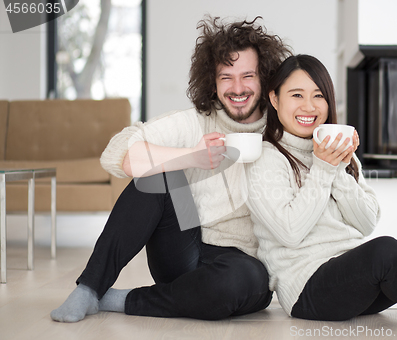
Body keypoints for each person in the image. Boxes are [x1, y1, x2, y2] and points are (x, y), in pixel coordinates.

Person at [51, 16, 292, 322]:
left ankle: (122, 299)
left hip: (243, 263)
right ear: (212, 82)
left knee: (245, 280)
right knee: (159, 176)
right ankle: (89, 288)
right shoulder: (196, 120)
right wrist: (192, 156)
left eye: (248, 76)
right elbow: (120, 155)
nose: (238, 87)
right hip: (184, 247)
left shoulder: (281, 131)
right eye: (226, 77)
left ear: (265, 78)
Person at [244, 54, 397, 330]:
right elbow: (290, 233)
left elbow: (365, 223)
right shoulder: (266, 158)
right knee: (386, 249)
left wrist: (337, 168)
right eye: (296, 95)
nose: (309, 106)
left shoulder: (338, 152)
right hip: (309, 291)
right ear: (275, 99)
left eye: (318, 96)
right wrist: (324, 168)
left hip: (361, 280)